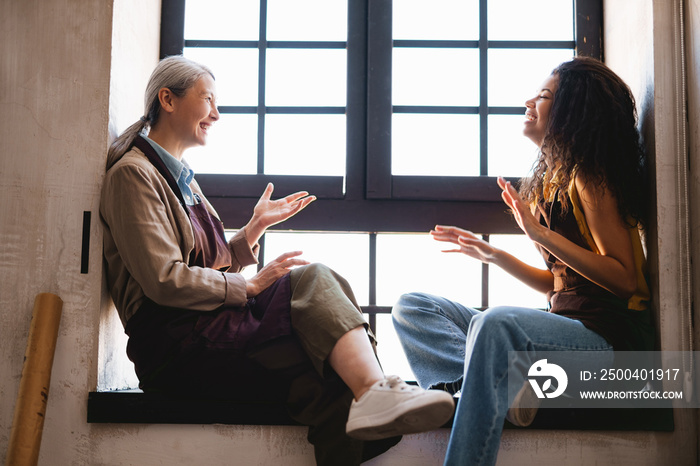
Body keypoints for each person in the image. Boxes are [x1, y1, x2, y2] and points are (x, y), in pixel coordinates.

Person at [100, 55, 454, 466]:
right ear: (168, 99)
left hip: (205, 330)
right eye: (208, 99)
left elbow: (207, 270)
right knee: (313, 278)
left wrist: (251, 230)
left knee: (326, 377)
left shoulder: (184, 181)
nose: (216, 113)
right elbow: (164, 281)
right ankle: (376, 389)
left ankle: (373, 393)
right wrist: (249, 286)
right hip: (175, 347)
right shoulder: (133, 176)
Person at [392, 56, 654, 465]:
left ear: (573, 110)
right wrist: (492, 254)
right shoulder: (551, 181)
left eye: (545, 95)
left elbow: (624, 280)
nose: (529, 101)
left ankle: (489, 409)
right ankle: (483, 386)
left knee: (493, 323)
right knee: (414, 306)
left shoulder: (590, 176)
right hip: (568, 326)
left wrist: (540, 234)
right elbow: (560, 285)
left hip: (611, 343)